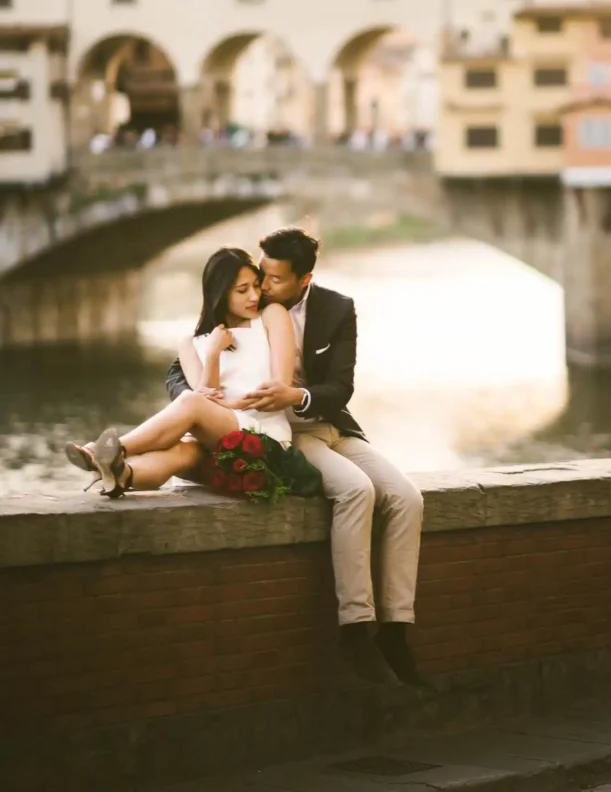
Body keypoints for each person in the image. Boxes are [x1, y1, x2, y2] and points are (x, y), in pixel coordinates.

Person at [166, 227, 427, 688]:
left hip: (330, 423)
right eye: (258, 277)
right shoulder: (245, 308)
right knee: (355, 491)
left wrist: (297, 393)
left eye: (274, 280)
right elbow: (178, 371)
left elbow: (340, 388)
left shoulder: (336, 309)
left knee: (407, 497)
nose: (262, 288)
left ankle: (396, 630)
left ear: (303, 280)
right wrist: (201, 401)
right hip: (289, 434)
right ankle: (357, 628)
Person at [64, 248, 301, 497]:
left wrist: (230, 403)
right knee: (181, 452)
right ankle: (119, 475)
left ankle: (111, 449)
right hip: (218, 441)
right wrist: (212, 354)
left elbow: (279, 391)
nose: (254, 295)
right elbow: (206, 398)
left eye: (255, 286)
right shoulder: (192, 343)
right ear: (219, 293)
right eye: (242, 290)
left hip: (265, 439)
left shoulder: (271, 316)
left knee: (189, 401)